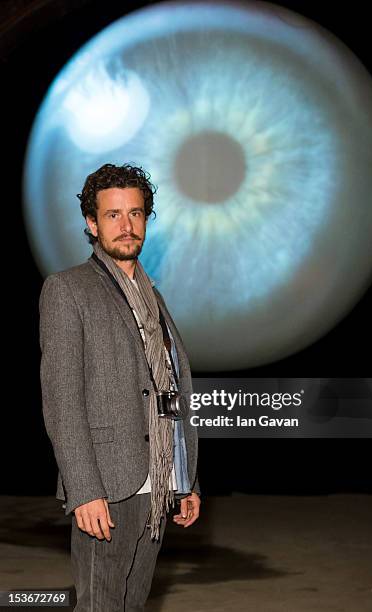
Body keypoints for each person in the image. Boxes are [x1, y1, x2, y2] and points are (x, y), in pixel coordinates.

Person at [39, 163, 201, 611]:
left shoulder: (153, 294)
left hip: (158, 481)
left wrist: (187, 480)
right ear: (92, 224)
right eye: (113, 215)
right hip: (108, 484)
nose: (126, 226)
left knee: (132, 604)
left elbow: (168, 389)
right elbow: (62, 401)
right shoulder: (67, 290)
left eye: (136, 213)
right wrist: (84, 489)